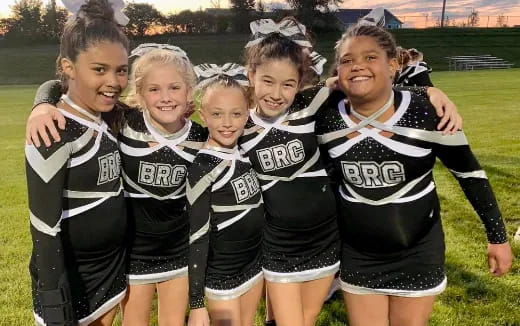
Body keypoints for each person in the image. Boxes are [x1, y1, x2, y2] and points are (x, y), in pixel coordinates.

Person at [316, 23, 513, 326]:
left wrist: (497, 237)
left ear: (393, 64)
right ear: (337, 72)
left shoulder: (426, 112)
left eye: (371, 57)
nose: (357, 66)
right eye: (346, 60)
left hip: (418, 252)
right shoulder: (326, 116)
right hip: (358, 255)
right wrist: (427, 86)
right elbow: (284, 96)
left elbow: (470, 174)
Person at [25, 0, 130, 325]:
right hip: (73, 279)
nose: (113, 81)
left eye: (121, 70)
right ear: (68, 67)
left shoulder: (108, 116)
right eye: (99, 69)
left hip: (111, 269)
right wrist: (56, 305)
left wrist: (44, 98)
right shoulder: (53, 130)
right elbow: (43, 228)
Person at [118, 47, 207, 326]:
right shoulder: (124, 124)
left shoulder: (202, 137)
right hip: (132, 252)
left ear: (188, 91)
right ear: (140, 95)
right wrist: (42, 104)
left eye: (175, 87)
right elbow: (71, 90)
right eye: (154, 89)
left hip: (178, 251)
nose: (166, 97)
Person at [186, 64, 265, 326]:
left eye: (236, 114)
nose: (228, 123)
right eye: (217, 114)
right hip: (223, 274)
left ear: (247, 115)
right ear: (203, 115)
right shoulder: (202, 167)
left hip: (254, 267)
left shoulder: (244, 150)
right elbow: (197, 236)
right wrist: (197, 303)